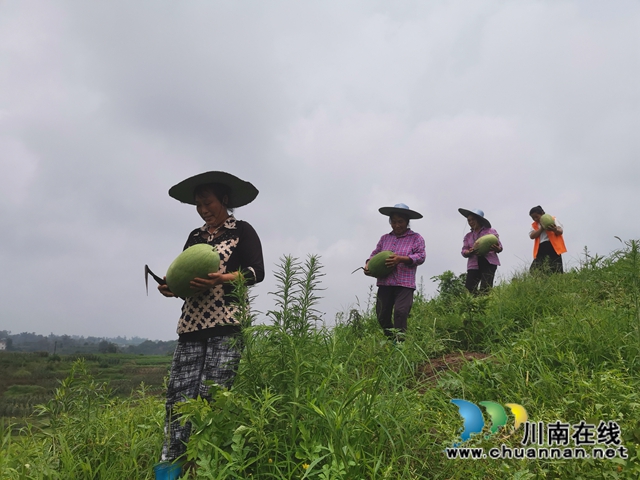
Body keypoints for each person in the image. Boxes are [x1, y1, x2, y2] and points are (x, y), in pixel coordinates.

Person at [156, 171, 265, 470]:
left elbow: (256, 272)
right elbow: (184, 281)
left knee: (213, 397)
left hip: (226, 324)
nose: (203, 210)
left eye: (208, 203)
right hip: (191, 325)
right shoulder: (194, 237)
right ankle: (172, 465)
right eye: (198, 205)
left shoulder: (242, 231)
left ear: (224, 200)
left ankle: (206, 465)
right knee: (179, 397)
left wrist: (223, 278)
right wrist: (170, 288)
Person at [364, 203, 425, 340]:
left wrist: (401, 259)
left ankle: (400, 344)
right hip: (385, 282)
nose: (397, 225)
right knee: (381, 314)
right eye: (394, 222)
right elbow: (374, 254)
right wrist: (368, 264)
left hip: (404, 283)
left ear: (407, 222)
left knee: (400, 312)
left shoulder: (416, 238)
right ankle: (391, 339)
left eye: (401, 222)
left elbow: (421, 256)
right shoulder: (385, 238)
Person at [459, 208, 503, 294]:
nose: (471, 222)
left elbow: (500, 246)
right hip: (473, 263)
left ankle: (485, 304)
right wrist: (468, 252)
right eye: (469, 220)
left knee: (486, 287)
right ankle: (475, 305)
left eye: (473, 219)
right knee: (470, 288)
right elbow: (464, 250)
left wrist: (497, 248)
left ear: (479, 220)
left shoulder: (490, 231)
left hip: (488, 262)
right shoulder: (468, 236)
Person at [529, 205, 566, 273]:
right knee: (534, 269)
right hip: (541, 247)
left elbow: (560, 231)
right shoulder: (535, 225)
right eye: (533, 218)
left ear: (542, 213)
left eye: (536, 217)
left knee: (556, 267)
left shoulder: (552, 219)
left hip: (553, 246)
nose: (535, 219)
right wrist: (542, 228)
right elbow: (532, 236)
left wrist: (555, 230)